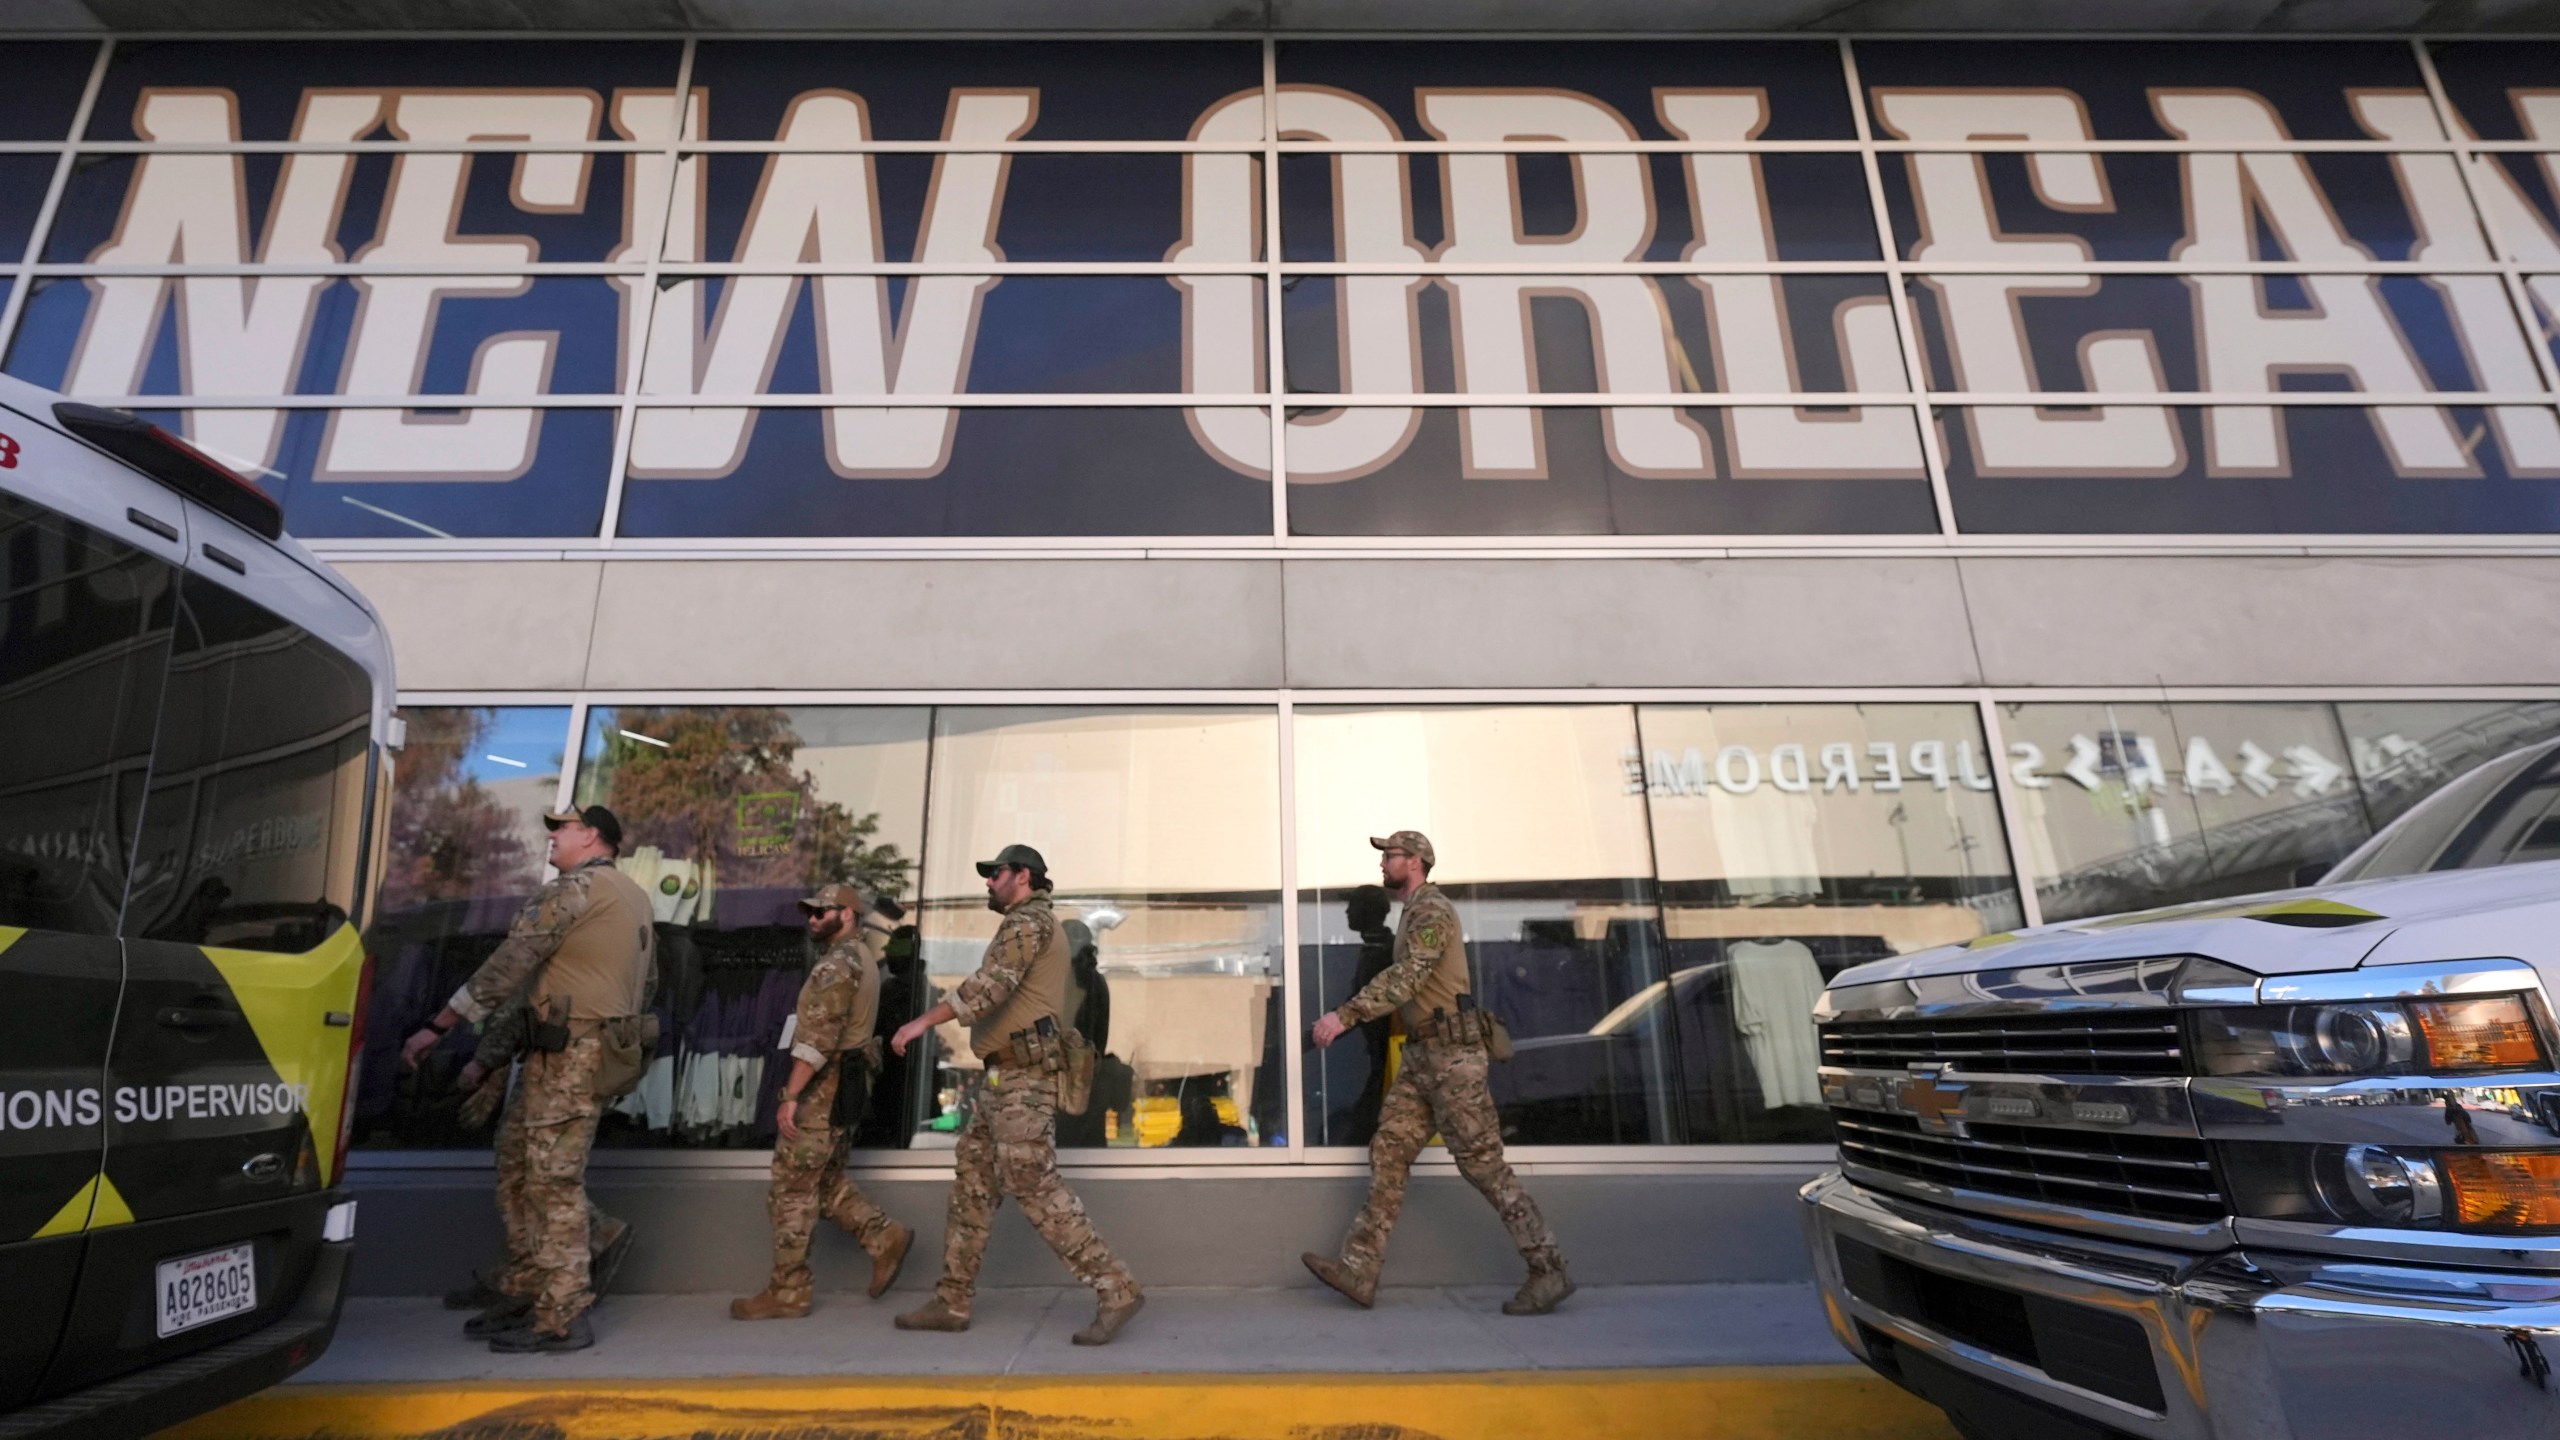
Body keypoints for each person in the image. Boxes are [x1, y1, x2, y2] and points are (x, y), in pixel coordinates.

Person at [399, 805, 655, 1353]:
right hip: (580, 1053)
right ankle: (529, 1287)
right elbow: (631, 984)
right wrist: (492, 1058)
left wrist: (437, 1026)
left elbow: (510, 965)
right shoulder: (632, 898)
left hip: (570, 1057)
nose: (550, 838)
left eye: (560, 829)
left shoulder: (572, 892)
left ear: (590, 836)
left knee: (552, 1183)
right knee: (521, 1163)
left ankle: (562, 1314)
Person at [1304, 831, 1572, 1316]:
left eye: (1392, 855)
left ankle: (1548, 1268)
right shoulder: (1411, 913)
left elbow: (1409, 975)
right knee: (1389, 1150)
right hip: (1424, 1056)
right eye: (1384, 855)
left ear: (1417, 861)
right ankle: (1359, 1269)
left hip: (1452, 1057)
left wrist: (1343, 1016)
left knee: (1483, 1165)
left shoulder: (1431, 910)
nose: (1384, 862)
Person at [888, 844, 1144, 1345]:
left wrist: (920, 1022)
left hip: (1025, 1081)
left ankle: (1116, 1287)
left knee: (1036, 1187)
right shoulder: (1025, 922)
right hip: (1003, 1080)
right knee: (973, 1186)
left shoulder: (1028, 922)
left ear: (1022, 876)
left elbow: (989, 987)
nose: (988, 882)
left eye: (995, 873)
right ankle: (952, 1299)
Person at [733, 883, 914, 1318]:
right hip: (844, 1091)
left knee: (791, 1190)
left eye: (822, 912)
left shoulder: (837, 966)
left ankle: (788, 1291)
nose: (813, 919)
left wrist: (791, 1095)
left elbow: (817, 1040)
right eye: (810, 914)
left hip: (824, 1091)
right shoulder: (862, 960)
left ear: (847, 915)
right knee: (825, 1182)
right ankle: (884, 1235)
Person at [439, 1003, 634, 1314]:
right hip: (578, 1049)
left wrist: (485, 1061)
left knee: (528, 1167)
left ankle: (540, 1286)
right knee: (534, 1166)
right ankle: (522, 1278)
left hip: (558, 1055)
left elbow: (515, 1002)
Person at [1336, 884, 1397, 1144]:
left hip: (1394, 1058)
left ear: (1368, 911)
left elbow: (1365, 1003)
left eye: (1353, 906)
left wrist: (1330, 1027)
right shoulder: (1375, 948)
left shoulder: (1386, 952)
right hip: (1381, 1059)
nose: (1348, 912)